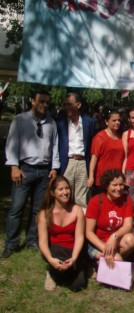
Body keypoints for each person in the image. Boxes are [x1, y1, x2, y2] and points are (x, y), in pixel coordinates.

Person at [2, 90, 60, 258]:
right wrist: (14, 166)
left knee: (38, 210)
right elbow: (12, 143)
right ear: (32, 101)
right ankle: (11, 244)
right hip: (24, 170)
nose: (44, 105)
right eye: (41, 101)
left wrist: (54, 167)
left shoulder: (51, 122)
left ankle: (32, 240)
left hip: (44, 172)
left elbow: (54, 145)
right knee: (16, 209)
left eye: (47, 102)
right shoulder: (20, 120)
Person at [37, 176, 86, 291]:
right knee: (58, 255)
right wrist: (50, 259)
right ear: (53, 192)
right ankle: (52, 272)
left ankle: (71, 267)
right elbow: (42, 241)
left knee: (77, 286)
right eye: (61, 189)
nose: (65, 192)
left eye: (67, 188)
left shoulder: (77, 209)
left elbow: (79, 237)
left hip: (73, 250)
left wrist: (73, 258)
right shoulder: (44, 214)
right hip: (54, 251)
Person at [85, 169, 134, 268]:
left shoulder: (126, 200)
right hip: (98, 241)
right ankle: (107, 259)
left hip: (115, 240)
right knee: (117, 260)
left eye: (121, 184)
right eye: (114, 185)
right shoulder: (96, 201)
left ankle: (106, 261)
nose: (119, 188)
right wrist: (105, 249)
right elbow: (89, 232)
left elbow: (128, 226)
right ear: (107, 186)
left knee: (131, 239)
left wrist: (114, 236)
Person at [57, 92, 95, 211]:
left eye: (69, 104)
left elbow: (92, 143)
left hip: (83, 163)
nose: (66, 107)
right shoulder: (61, 122)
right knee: (65, 195)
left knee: (81, 199)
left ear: (78, 105)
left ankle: (81, 227)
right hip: (67, 162)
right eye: (65, 104)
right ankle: (66, 225)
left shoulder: (89, 122)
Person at [87, 107, 124, 195]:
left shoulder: (121, 137)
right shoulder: (99, 137)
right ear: (106, 122)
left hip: (117, 178)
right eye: (114, 120)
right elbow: (94, 158)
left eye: (118, 120)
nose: (117, 122)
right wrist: (91, 176)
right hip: (103, 179)